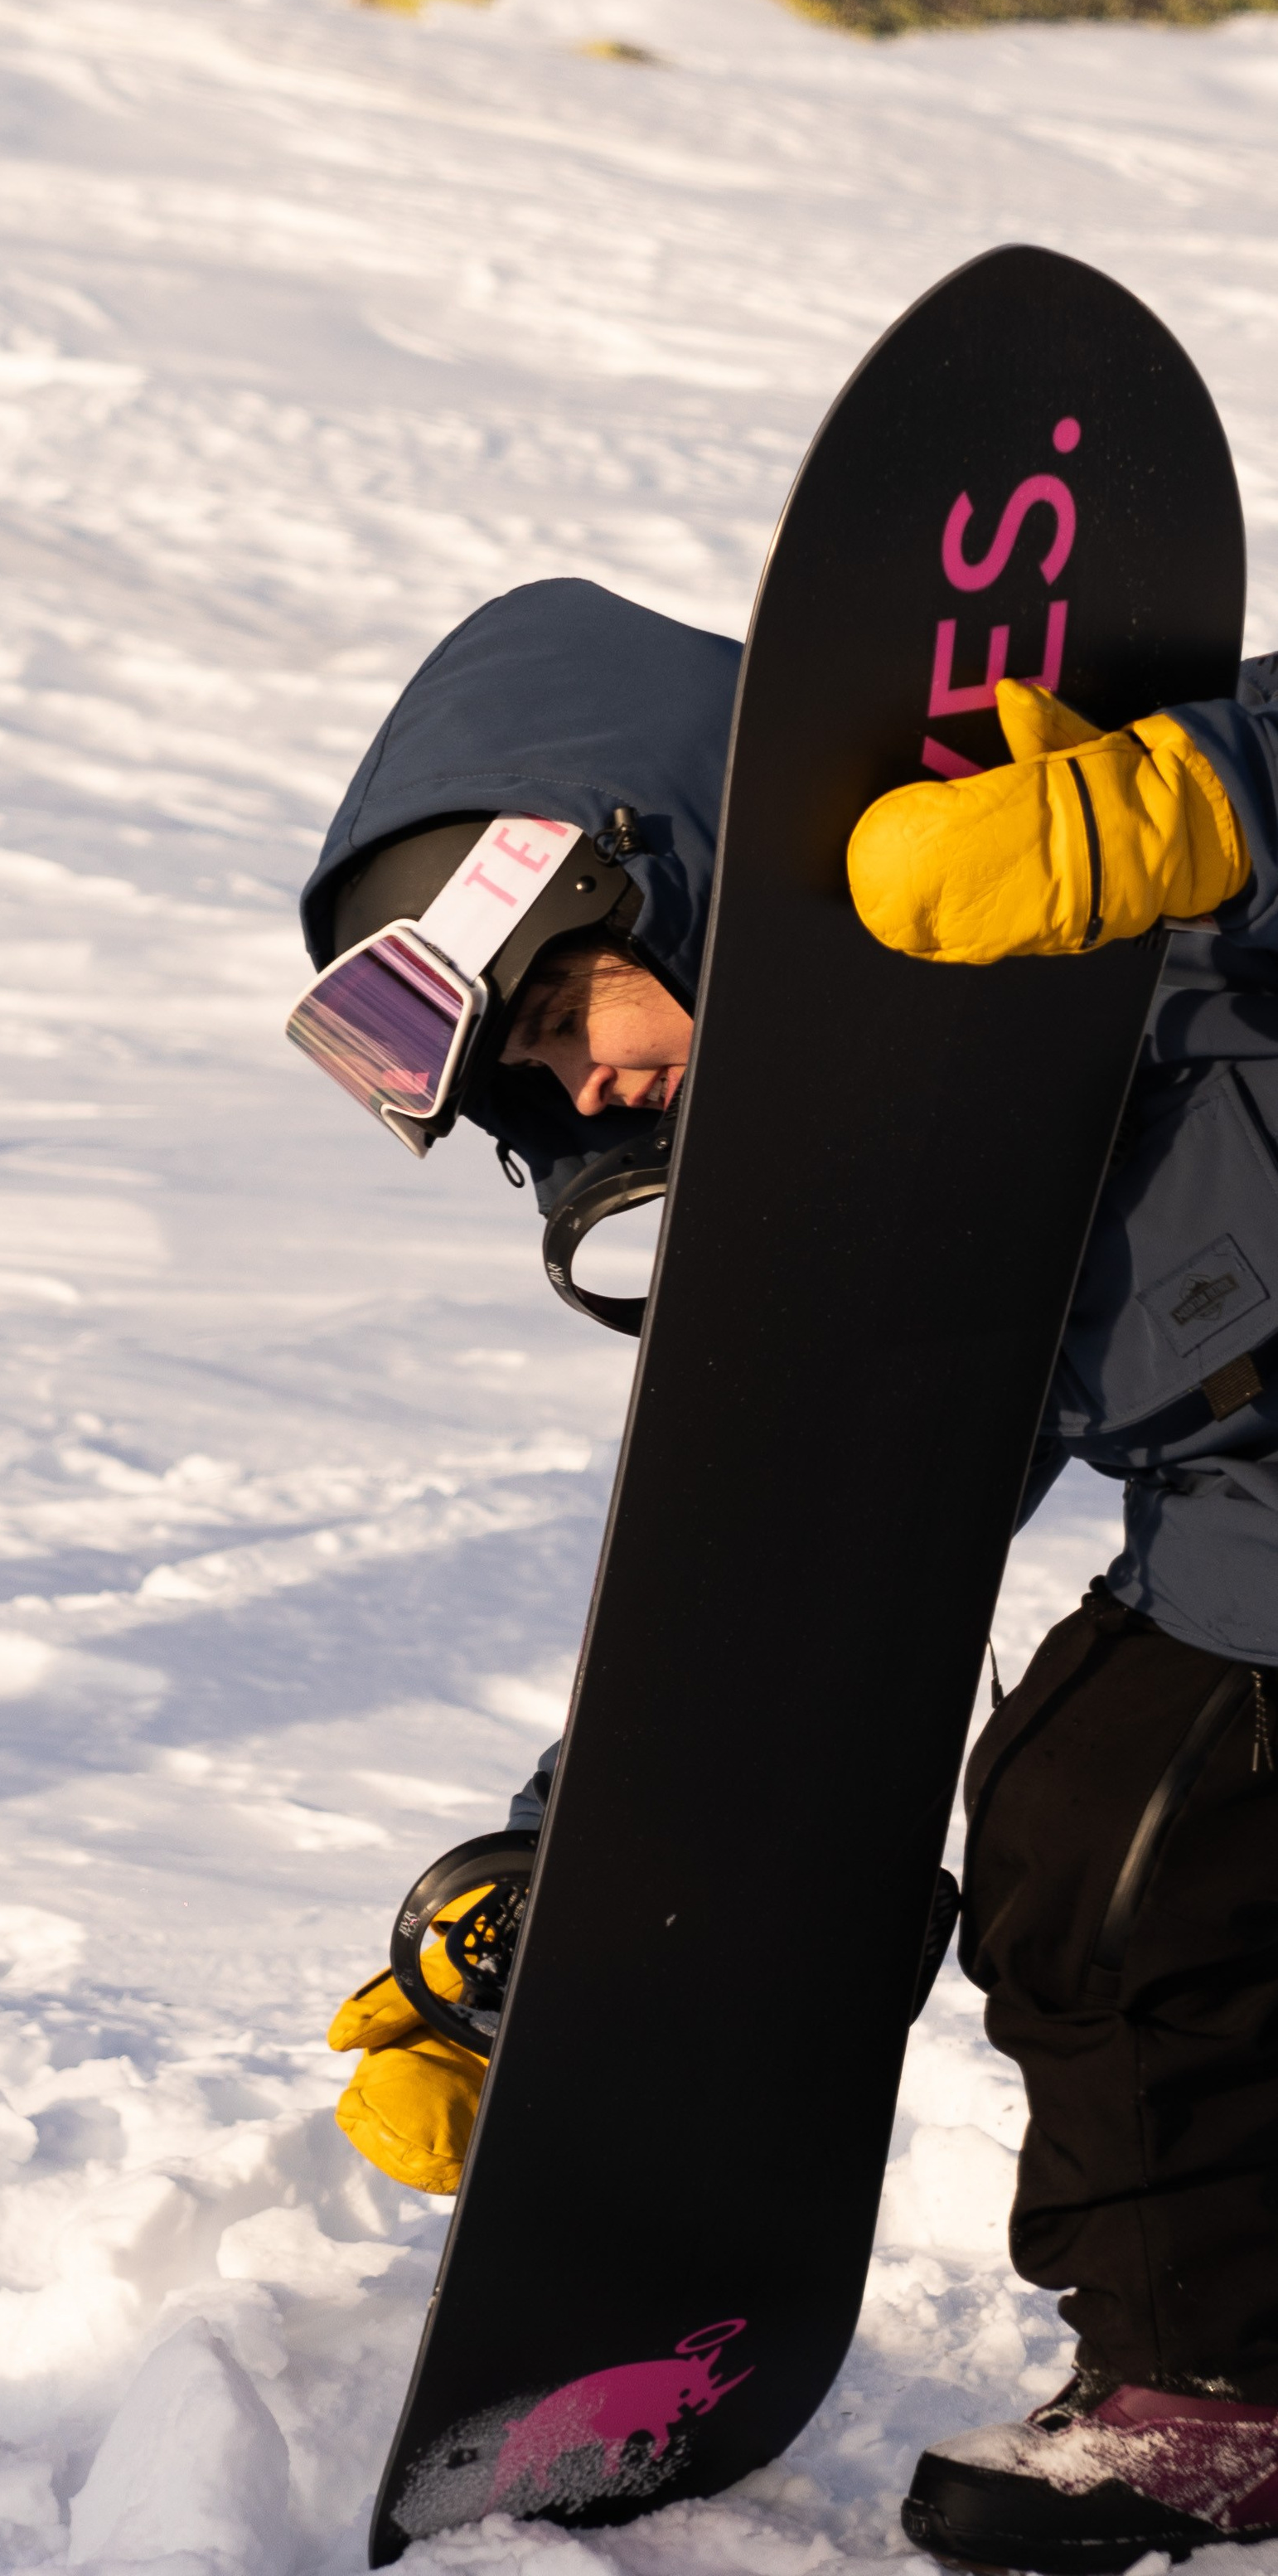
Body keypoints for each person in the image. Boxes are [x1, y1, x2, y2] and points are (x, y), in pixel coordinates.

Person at [288, 575, 1278, 2574]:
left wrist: (1214, 801)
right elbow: (780, 1575)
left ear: (639, 881)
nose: (585, 1085)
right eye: (529, 1084)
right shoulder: (874, 1170)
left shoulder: (1072, 826)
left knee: (1132, 1831)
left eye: (567, 1014)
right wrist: (558, 1914)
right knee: (1101, 1829)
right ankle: (1212, 2383)